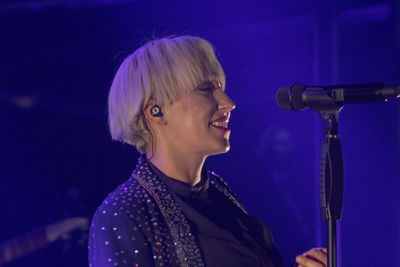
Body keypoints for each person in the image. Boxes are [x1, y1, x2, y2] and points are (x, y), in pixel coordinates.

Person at [88, 35, 327, 267]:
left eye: (220, 87)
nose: (228, 103)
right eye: (206, 89)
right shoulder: (125, 212)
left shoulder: (221, 197)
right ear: (155, 111)